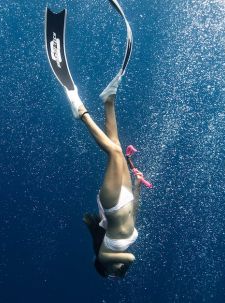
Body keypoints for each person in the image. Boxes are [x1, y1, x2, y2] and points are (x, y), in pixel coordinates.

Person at [67, 80, 143, 279]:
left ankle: (81, 113)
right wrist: (138, 186)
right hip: (127, 197)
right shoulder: (122, 249)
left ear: (105, 268)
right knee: (116, 142)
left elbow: (131, 259)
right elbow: (134, 214)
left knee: (115, 152)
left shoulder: (104, 256)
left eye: (110, 274)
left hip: (113, 204)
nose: (114, 273)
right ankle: (108, 101)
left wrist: (119, 271)